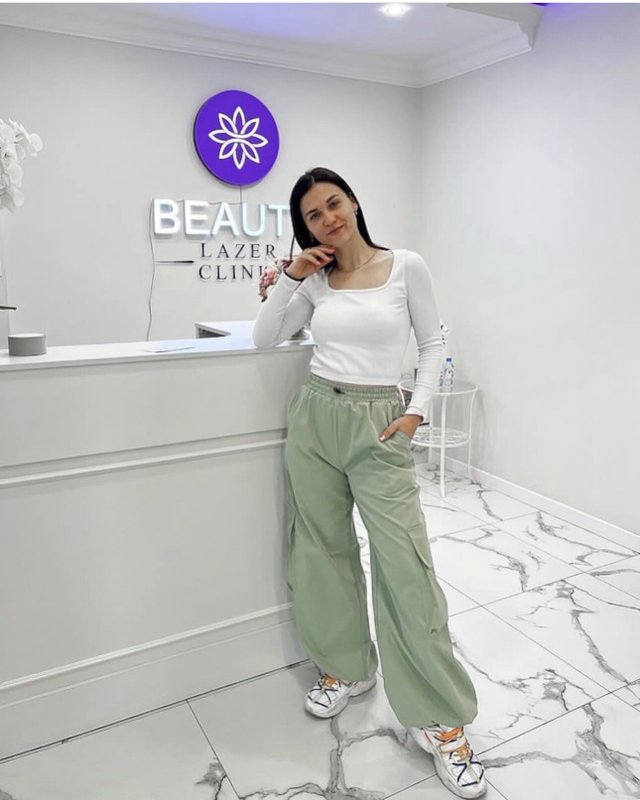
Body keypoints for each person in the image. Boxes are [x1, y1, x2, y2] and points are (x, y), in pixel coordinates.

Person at [253, 167, 485, 799]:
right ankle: (347, 668)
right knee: (321, 550)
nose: (328, 218)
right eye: (313, 214)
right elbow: (265, 336)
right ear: (305, 227)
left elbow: (433, 343)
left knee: (405, 564)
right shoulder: (315, 282)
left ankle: (439, 716)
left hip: (380, 420)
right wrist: (292, 276)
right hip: (315, 417)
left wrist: (417, 413)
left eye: (334, 203)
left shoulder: (405, 266)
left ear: (353, 203)